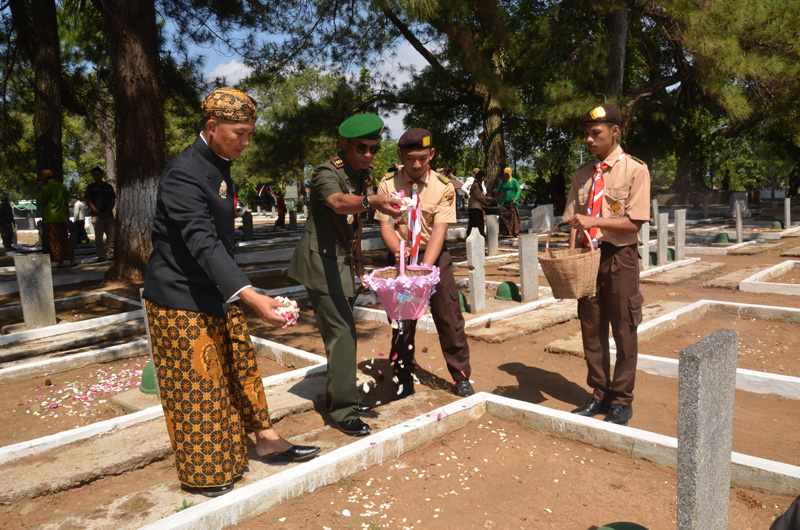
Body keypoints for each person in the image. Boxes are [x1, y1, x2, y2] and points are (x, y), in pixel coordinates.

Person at [142, 87, 320, 498]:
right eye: (239, 132)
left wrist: (240, 292)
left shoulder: (219, 162)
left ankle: (265, 438)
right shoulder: (184, 171)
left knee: (240, 365)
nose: (246, 141)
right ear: (212, 126)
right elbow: (201, 241)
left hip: (216, 289)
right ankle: (205, 471)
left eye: (250, 133)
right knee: (199, 384)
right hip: (180, 296)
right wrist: (250, 295)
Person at [288, 113, 401, 437]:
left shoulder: (362, 174)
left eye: (374, 149)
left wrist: (359, 261)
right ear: (345, 144)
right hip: (320, 263)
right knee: (343, 334)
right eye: (362, 147)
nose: (368, 155)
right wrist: (371, 200)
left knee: (342, 331)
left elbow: (355, 222)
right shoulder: (327, 173)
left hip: (341, 262)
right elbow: (338, 203)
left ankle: (341, 397)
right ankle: (344, 412)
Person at [563, 103, 650, 426]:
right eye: (586, 134)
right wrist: (572, 257)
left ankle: (621, 400)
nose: (589, 139)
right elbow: (574, 222)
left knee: (625, 329)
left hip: (619, 258)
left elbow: (635, 223)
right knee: (591, 327)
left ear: (615, 132)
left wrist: (593, 220)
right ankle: (598, 392)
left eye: (595, 133)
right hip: (587, 260)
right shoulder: (582, 174)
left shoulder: (635, 170)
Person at [374, 128, 475, 400]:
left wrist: (424, 273)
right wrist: (399, 253)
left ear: (431, 154)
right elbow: (385, 226)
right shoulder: (388, 184)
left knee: (449, 317)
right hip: (400, 258)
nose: (416, 165)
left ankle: (461, 375)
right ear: (400, 156)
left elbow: (439, 231)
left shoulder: (443, 187)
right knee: (401, 321)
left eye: (422, 158)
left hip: (434, 259)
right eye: (409, 159)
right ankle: (403, 374)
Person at [39, 170, 76, 267]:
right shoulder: (62, 187)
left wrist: (41, 188)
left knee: (55, 241)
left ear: (44, 178)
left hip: (51, 219)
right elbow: (65, 202)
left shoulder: (46, 189)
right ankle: (72, 259)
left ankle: (60, 261)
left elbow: (41, 202)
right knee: (65, 239)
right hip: (62, 217)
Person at [84, 166, 116, 261]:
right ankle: (101, 255)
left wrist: (108, 211)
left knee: (112, 236)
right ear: (93, 176)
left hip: (109, 215)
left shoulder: (108, 187)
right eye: (95, 174)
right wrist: (98, 212)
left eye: (99, 174)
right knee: (98, 237)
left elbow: (113, 200)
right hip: (97, 216)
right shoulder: (90, 187)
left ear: (102, 174)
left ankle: (111, 254)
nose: (97, 176)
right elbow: (89, 201)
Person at [496, 167, 521, 236]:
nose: (506, 176)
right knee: (503, 217)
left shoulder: (514, 181)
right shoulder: (502, 181)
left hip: (512, 202)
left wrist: (515, 198)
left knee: (513, 217)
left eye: (508, 175)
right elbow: (498, 189)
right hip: (504, 201)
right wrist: (495, 190)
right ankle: (504, 232)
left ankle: (514, 232)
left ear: (510, 174)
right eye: (505, 175)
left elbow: (519, 190)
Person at [467, 170, 486, 237]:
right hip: (475, 207)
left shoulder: (478, 184)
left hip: (477, 207)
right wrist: (485, 198)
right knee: (476, 223)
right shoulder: (476, 184)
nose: (483, 179)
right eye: (483, 177)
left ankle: (477, 236)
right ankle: (477, 236)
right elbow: (476, 195)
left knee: (475, 223)